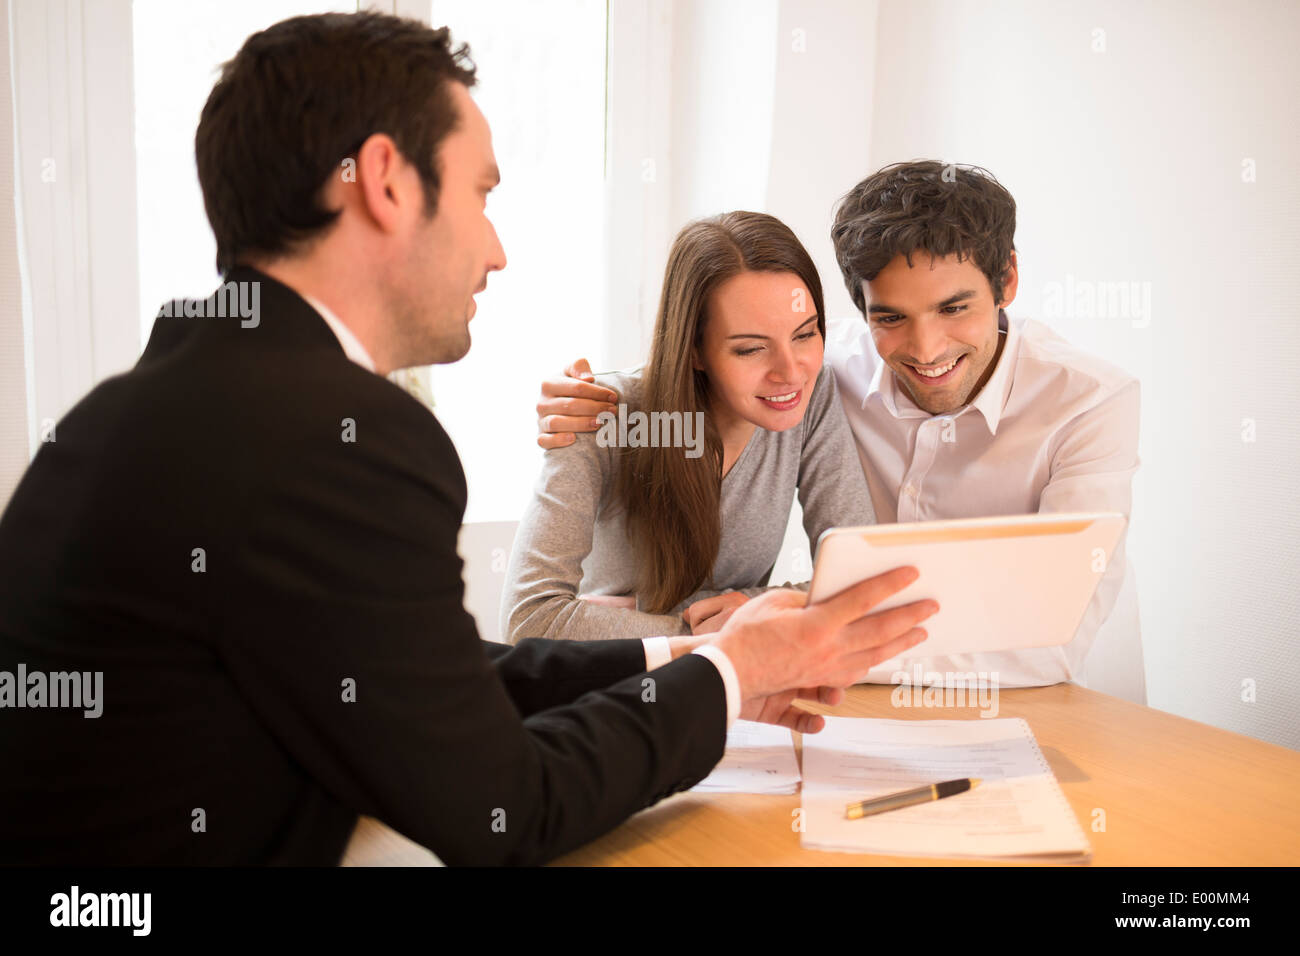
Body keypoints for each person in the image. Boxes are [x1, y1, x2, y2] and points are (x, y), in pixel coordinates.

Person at [0, 12, 938, 866]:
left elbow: (442, 674)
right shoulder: (336, 439)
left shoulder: (159, 405)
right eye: (481, 194)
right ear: (385, 182)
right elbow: (506, 808)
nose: (496, 249)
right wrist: (737, 672)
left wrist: (691, 660)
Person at [536, 161, 1140, 687]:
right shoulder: (821, 374)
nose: (926, 350)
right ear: (859, 309)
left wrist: (780, 632)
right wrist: (598, 408)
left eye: (954, 308)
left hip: (1020, 694)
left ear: (1006, 280)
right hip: (764, 691)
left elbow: (1051, 637)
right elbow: (534, 620)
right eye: (891, 317)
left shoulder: (1088, 404)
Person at [500, 211, 876, 645]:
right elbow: (529, 621)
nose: (791, 372)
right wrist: (725, 628)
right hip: (618, 687)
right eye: (751, 349)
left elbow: (859, 585)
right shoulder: (601, 415)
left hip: (730, 684)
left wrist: (751, 608)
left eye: (805, 334)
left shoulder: (815, 393)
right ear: (694, 350)